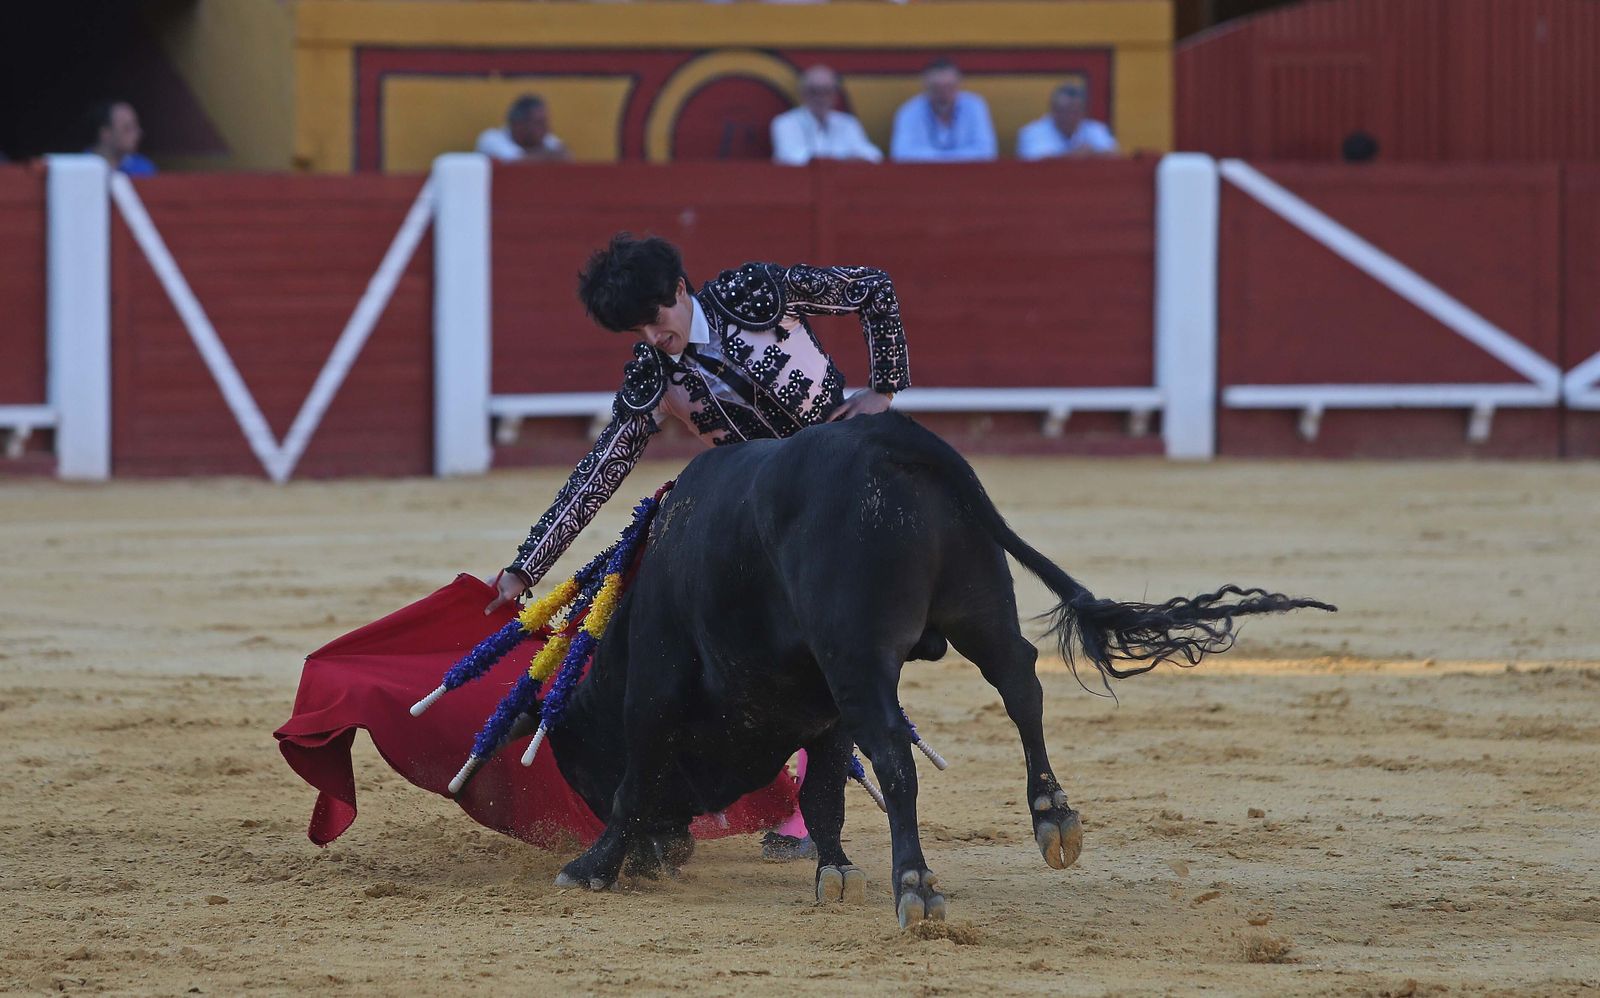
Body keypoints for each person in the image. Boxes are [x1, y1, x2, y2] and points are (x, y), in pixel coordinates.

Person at [484, 234, 913, 861]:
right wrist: (527, 566)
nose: (654, 338)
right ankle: (756, 798)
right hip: (762, 521)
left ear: (681, 291)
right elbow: (600, 470)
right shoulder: (654, 376)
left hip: (849, 482)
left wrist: (885, 388)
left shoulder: (758, 292)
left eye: (656, 319)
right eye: (637, 330)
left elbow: (874, 287)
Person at [770, 65, 883, 165]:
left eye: (826, 91)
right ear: (803, 94)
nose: (820, 98)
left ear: (835, 95)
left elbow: (874, 156)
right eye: (814, 91)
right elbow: (793, 159)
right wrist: (845, 160)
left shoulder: (848, 123)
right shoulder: (785, 123)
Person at [889, 59, 997, 163]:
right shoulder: (910, 111)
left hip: (969, 176)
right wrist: (952, 159)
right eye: (936, 89)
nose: (943, 95)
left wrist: (939, 159)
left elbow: (987, 152)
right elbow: (901, 153)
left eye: (949, 88)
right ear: (925, 85)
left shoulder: (974, 106)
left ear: (959, 85)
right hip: (923, 177)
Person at [1016, 82, 1119, 160]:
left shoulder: (1096, 130)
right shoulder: (1031, 133)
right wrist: (1076, 155)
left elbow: (1115, 158)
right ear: (1053, 110)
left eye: (1075, 111)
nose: (1070, 116)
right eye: (1064, 111)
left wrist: (1094, 152)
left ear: (1083, 112)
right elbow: (1038, 165)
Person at [476, 94, 572, 163]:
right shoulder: (491, 138)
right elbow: (516, 162)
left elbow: (565, 156)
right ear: (519, 124)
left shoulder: (546, 138)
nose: (546, 128)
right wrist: (548, 155)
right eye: (538, 123)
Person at [86, 100, 156, 177]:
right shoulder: (81, 166)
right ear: (105, 133)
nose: (138, 133)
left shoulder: (143, 168)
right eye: (128, 128)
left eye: (136, 127)